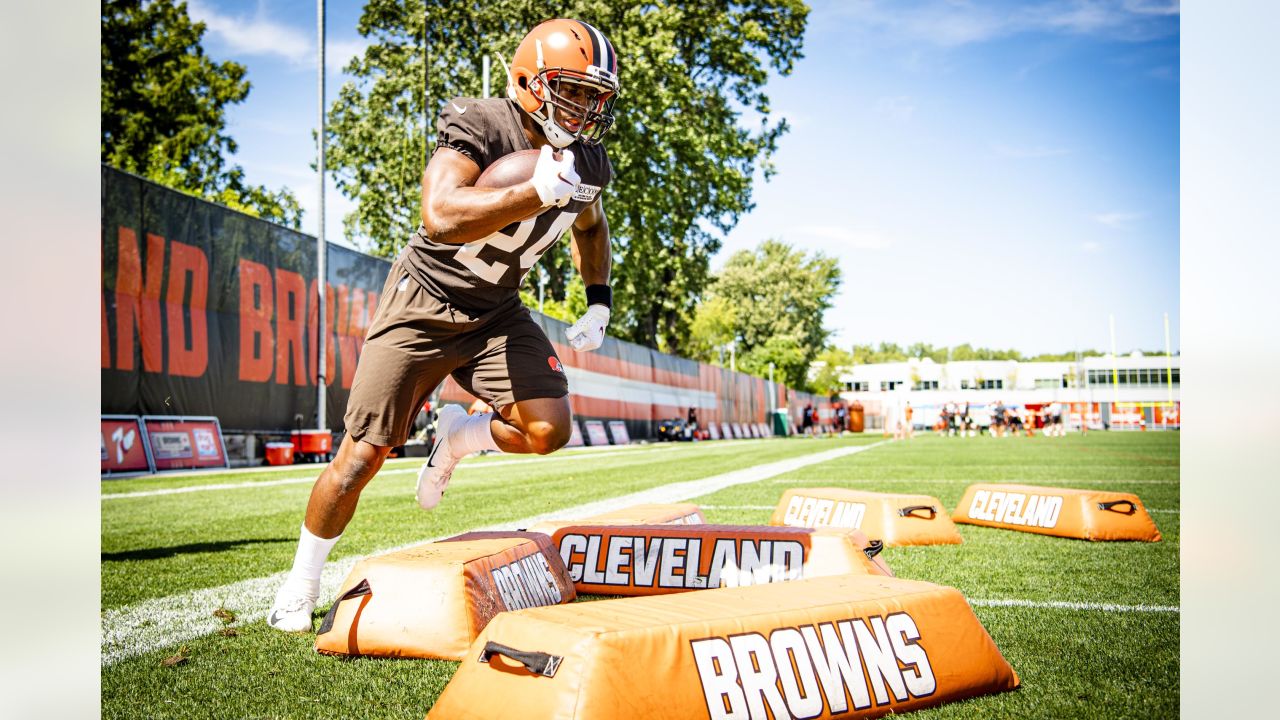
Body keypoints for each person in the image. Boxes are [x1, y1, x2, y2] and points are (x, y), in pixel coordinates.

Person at [267, 19, 621, 632]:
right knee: (362, 456)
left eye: (596, 96)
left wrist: (599, 298)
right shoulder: (481, 123)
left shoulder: (588, 159)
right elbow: (439, 215)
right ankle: (300, 583)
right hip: (424, 302)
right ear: (527, 81)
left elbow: (590, 226)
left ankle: (459, 437)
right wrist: (535, 190)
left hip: (496, 310)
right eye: (573, 90)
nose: (586, 108)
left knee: (548, 427)